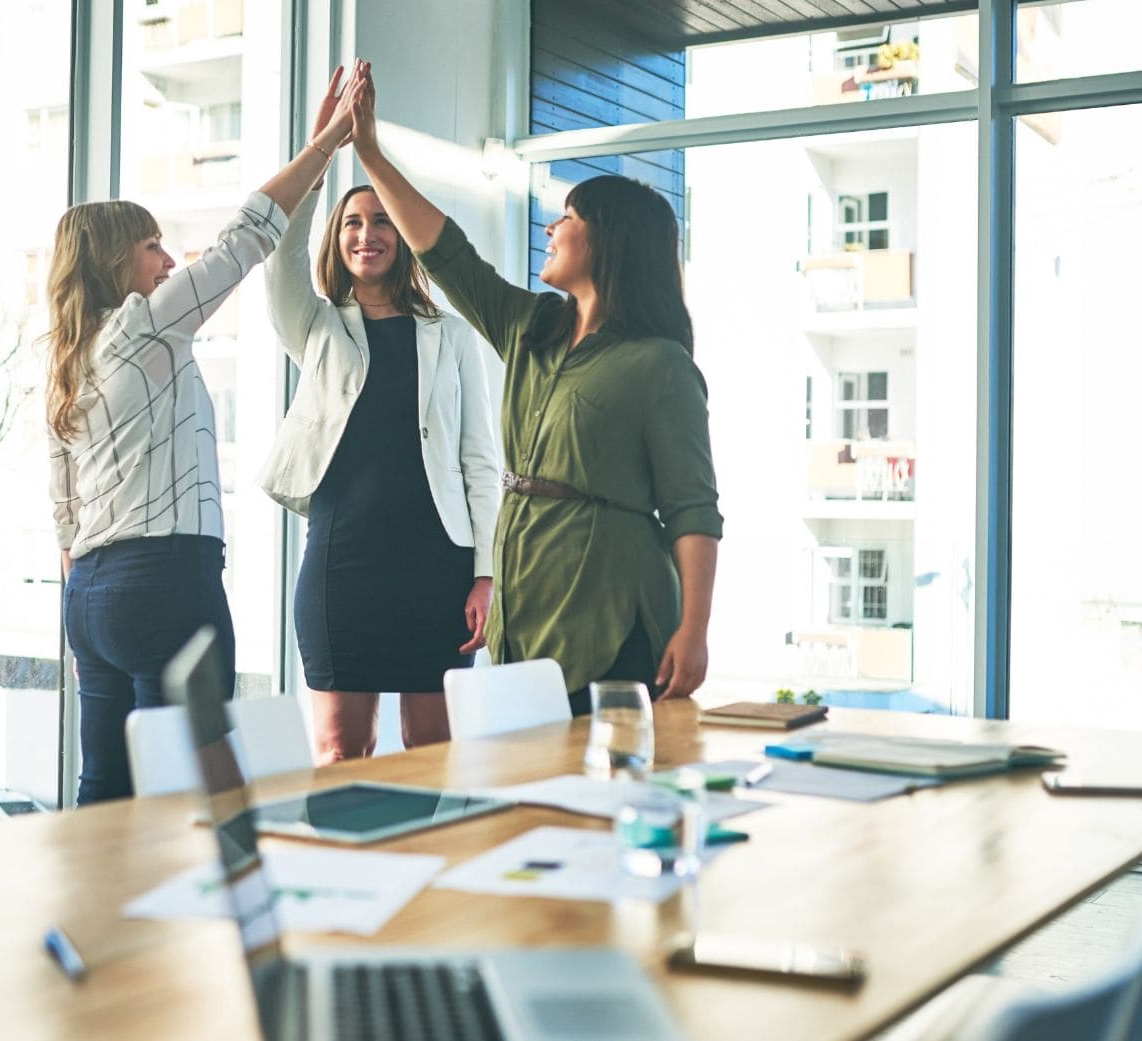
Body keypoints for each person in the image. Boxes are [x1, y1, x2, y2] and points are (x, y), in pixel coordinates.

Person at [344, 64, 722, 716]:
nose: (550, 228)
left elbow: (693, 509)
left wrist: (695, 630)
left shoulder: (660, 366)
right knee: (528, 783)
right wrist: (370, 152)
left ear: (609, 240)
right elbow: (447, 253)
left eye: (567, 217)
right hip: (528, 594)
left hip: (612, 606)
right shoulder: (531, 328)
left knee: (603, 788)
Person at [46, 71, 363, 804]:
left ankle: (101, 918)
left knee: (107, 788)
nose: (167, 261)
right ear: (114, 261)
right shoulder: (143, 323)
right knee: (192, 794)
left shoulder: (67, 356)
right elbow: (244, 239)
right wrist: (324, 146)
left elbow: (63, 512)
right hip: (164, 582)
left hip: (91, 595)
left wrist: (102, 592)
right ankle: (200, 916)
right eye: (152, 246)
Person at [259, 68, 501, 763]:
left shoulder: (451, 335)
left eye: (381, 222)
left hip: (438, 567)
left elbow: (480, 461)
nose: (367, 234)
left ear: (403, 236)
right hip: (343, 565)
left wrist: (487, 572)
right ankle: (350, 871)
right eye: (353, 224)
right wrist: (320, 157)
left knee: (432, 746)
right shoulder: (316, 328)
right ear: (337, 239)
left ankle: (426, 871)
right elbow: (279, 261)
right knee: (341, 747)